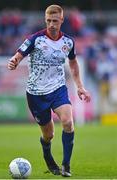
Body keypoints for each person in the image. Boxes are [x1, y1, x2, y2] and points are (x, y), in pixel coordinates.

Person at [8, 4, 91, 177]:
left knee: (68, 122)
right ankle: (47, 155)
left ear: (61, 20)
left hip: (58, 89)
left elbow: (73, 62)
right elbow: (19, 55)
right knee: (49, 135)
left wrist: (80, 86)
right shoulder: (35, 39)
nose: (52, 24)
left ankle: (66, 166)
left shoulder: (68, 42)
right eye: (48, 21)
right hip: (36, 93)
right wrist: (13, 62)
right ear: (45, 20)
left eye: (55, 21)